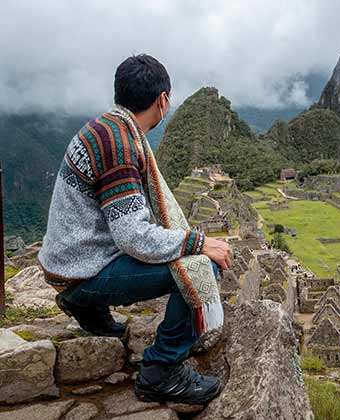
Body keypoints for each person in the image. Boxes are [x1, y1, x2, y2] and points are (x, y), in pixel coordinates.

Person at [38, 54, 233, 405]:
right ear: (163, 100)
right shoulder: (120, 145)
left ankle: (85, 308)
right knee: (202, 268)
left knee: (190, 254)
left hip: (67, 261)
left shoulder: (106, 127)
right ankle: (162, 370)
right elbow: (133, 236)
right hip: (82, 271)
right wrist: (199, 243)